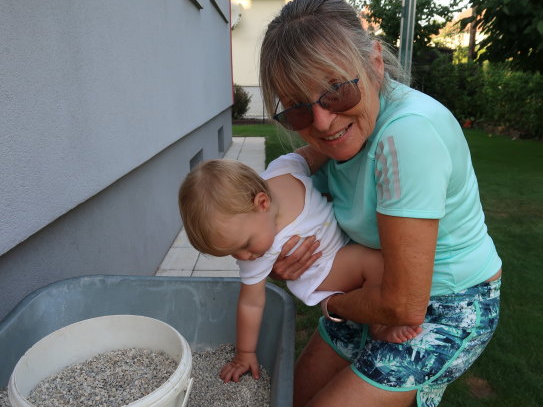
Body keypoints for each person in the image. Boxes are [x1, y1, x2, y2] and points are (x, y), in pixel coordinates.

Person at [258, 0, 503, 407]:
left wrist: (325, 298)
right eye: (298, 111)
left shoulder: (406, 136)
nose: (323, 123)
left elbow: (404, 307)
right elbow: (286, 178)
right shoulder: (345, 129)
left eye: (335, 92)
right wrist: (278, 247)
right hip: (373, 288)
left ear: (373, 63)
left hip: (450, 304)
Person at [178, 154, 422, 383]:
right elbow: (250, 303)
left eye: (244, 245)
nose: (242, 257)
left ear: (262, 202)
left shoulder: (285, 171)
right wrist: (244, 353)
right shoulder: (260, 252)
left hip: (338, 249)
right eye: (232, 252)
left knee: (377, 259)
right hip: (323, 270)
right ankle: (379, 326)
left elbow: (312, 153)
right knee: (376, 263)